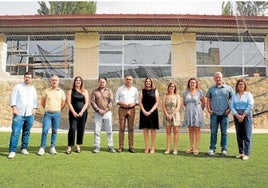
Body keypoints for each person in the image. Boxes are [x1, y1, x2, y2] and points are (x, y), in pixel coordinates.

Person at [8, 72, 38, 159]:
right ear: (24, 77)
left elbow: (35, 100)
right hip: (19, 114)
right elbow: (13, 97)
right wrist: (14, 108)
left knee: (27, 132)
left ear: (31, 79)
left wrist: (34, 109)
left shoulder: (33, 89)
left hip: (29, 114)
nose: (27, 79)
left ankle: (24, 148)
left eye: (29, 77)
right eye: (26, 77)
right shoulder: (18, 86)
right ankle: (12, 151)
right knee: (15, 132)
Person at [207, 72, 234, 156]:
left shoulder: (229, 89)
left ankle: (224, 149)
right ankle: (212, 149)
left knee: (224, 132)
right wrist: (208, 109)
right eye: (216, 77)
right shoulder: (211, 89)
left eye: (219, 77)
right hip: (214, 113)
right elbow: (208, 99)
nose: (218, 79)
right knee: (213, 132)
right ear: (214, 79)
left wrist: (229, 109)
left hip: (224, 114)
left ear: (222, 78)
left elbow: (233, 100)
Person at [38, 75, 66, 156]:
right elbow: (43, 102)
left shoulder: (61, 92)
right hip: (48, 114)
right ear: (51, 81)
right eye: (53, 80)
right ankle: (42, 147)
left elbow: (63, 103)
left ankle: (52, 147)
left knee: (54, 131)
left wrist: (57, 109)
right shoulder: (46, 91)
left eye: (56, 80)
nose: (54, 82)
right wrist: (48, 108)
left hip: (57, 114)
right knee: (45, 130)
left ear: (58, 82)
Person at [90, 77, 116, 153]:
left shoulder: (109, 91)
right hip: (97, 113)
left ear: (106, 83)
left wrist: (105, 110)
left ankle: (110, 146)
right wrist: (99, 110)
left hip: (107, 113)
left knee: (109, 130)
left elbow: (111, 101)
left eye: (103, 82)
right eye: (100, 82)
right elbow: (92, 102)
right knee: (96, 131)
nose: (102, 83)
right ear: (98, 82)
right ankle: (97, 146)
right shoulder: (94, 91)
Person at [231, 78, 254, 161]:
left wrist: (243, 115)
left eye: (242, 84)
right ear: (237, 86)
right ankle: (241, 153)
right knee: (239, 135)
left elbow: (250, 105)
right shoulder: (234, 95)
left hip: (246, 115)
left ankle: (246, 154)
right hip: (237, 115)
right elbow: (232, 107)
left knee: (247, 135)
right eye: (239, 84)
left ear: (245, 86)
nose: (241, 86)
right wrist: (237, 115)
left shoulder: (248, 95)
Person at [115, 75, 139, 153]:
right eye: (127, 79)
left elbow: (137, 100)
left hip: (131, 110)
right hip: (122, 109)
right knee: (121, 128)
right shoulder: (120, 89)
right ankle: (120, 146)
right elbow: (116, 100)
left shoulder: (135, 90)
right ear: (125, 80)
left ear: (132, 81)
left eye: (130, 80)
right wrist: (121, 103)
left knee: (131, 128)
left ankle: (131, 147)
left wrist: (134, 103)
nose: (128, 81)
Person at [182, 78, 206, 155]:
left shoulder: (200, 92)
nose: (192, 84)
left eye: (193, 82)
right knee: (190, 130)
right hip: (188, 112)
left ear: (196, 84)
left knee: (197, 130)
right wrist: (190, 108)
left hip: (197, 112)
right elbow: (184, 103)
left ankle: (196, 147)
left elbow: (203, 103)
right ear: (189, 84)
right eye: (191, 82)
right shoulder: (185, 92)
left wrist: (199, 110)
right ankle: (191, 147)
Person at [66, 76, 89, 154]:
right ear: (74, 82)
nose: (78, 82)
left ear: (81, 82)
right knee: (72, 129)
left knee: (81, 129)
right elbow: (69, 103)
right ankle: (69, 146)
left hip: (83, 113)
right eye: (76, 80)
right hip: (73, 113)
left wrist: (81, 112)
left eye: (79, 80)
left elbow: (86, 103)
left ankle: (78, 145)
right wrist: (74, 112)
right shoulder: (70, 91)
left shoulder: (85, 91)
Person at [139, 77, 159, 154]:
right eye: (147, 81)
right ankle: (147, 147)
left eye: (149, 81)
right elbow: (140, 102)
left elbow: (157, 102)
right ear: (145, 83)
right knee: (145, 130)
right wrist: (144, 111)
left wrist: (150, 111)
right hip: (144, 112)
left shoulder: (155, 90)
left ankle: (153, 148)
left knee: (153, 130)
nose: (148, 83)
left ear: (151, 82)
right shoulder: (142, 91)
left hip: (153, 112)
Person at [162, 81, 181, 155]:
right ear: (168, 87)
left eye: (173, 86)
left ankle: (175, 149)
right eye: (170, 86)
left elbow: (178, 106)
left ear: (175, 88)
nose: (171, 88)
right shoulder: (165, 96)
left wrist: (172, 114)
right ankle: (168, 148)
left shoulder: (177, 96)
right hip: (167, 115)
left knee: (176, 132)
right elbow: (163, 106)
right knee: (168, 132)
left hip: (175, 115)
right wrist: (167, 114)